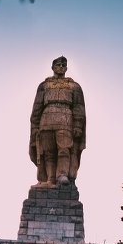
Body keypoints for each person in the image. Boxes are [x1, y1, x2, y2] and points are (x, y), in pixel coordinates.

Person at [29, 56, 86, 186]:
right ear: (53, 67)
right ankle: (50, 179)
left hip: (66, 119)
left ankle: (62, 175)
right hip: (46, 120)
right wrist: (35, 127)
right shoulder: (44, 86)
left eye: (63, 65)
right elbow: (37, 107)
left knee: (64, 149)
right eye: (58, 64)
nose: (61, 67)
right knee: (48, 152)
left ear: (66, 68)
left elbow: (78, 107)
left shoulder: (74, 86)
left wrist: (78, 125)